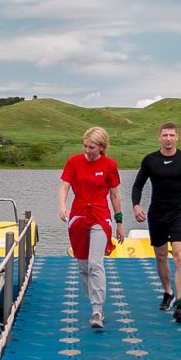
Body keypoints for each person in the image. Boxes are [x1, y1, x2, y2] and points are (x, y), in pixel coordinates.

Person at [130, 122, 181, 324]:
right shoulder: (150, 160)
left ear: (177, 137)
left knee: (180, 257)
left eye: (172, 135)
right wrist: (136, 206)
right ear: (159, 137)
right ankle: (168, 291)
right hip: (157, 214)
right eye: (165, 135)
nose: (168, 138)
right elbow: (138, 185)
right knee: (161, 257)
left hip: (179, 214)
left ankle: (180, 303)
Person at [59, 126, 124, 329]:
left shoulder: (109, 165)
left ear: (102, 147)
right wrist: (62, 205)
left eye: (92, 147)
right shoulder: (74, 162)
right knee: (83, 266)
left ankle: (97, 310)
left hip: (99, 216)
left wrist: (119, 222)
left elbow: (114, 195)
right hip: (78, 216)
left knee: (96, 263)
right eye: (86, 146)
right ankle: (94, 301)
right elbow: (65, 186)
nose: (88, 150)